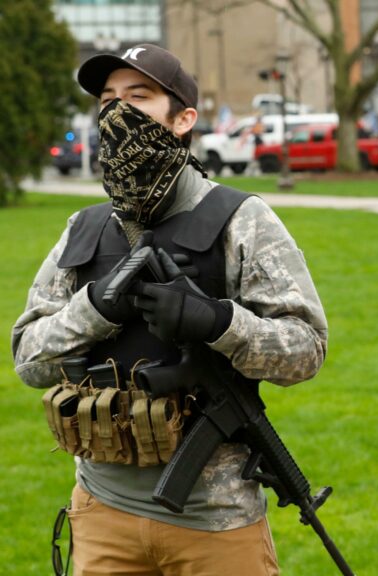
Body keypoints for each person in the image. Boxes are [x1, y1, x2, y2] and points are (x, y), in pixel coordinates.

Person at [12, 44, 328, 575]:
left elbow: (307, 350)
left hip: (215, 520)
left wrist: (219, 322)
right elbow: (28, 359)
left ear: (183, 119)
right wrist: (91, 310)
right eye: (107, 100)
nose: (118, 113)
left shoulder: (240, 219)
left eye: (139, 97)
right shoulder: (84, 229)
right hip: (101, 511)